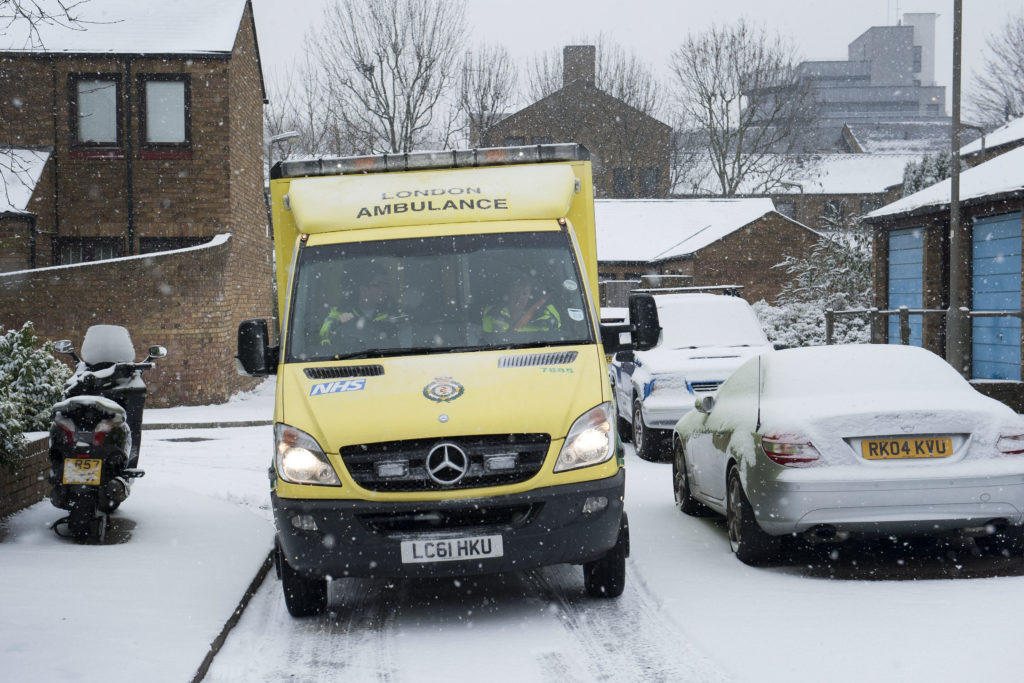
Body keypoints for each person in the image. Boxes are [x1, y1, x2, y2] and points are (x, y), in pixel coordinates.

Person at [320, 273, 395, 346]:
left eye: (386, 285)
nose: (385, 289)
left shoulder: (393, 311)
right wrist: (337, 323)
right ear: (363, 289)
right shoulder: (339, 312)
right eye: (380, 285)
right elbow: (323, 336)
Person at [483, 274, 561, 333]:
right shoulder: (492, 313)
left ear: (529, 296)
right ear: (509, 293)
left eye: (524, 293)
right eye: (516, 292)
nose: (519, 297)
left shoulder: (547, 316)